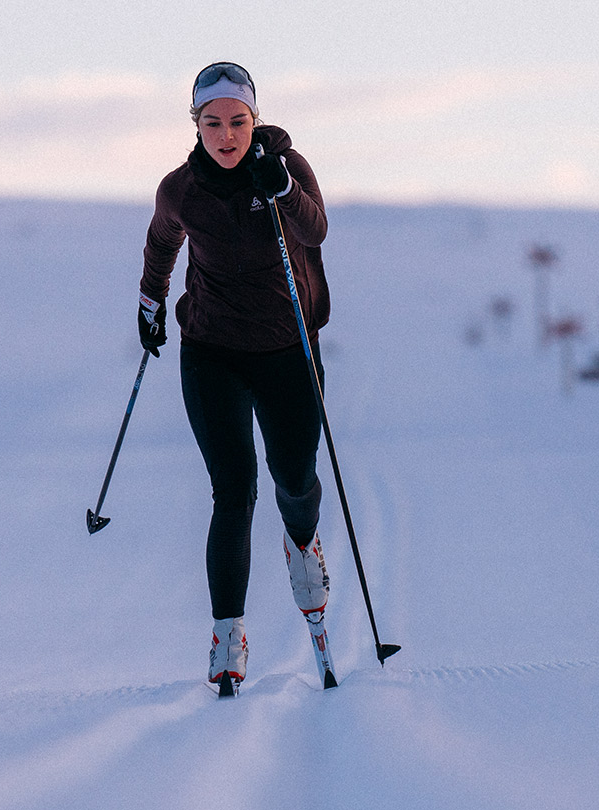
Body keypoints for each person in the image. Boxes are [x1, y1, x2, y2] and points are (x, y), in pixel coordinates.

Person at [137, 62, 331, 688]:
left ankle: (302, 543)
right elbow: (163, 240)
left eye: (238, 122)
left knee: (294, 478)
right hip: (212, 349)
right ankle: (228, 637)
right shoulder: (181, 189)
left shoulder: (286, 167)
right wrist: (150, 301)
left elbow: (316, 229)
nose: (226, 135)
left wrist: (283, 191)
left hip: (287, 350)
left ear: (254, 119)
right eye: (213, 122)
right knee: (234, 488)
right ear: (196, 125)